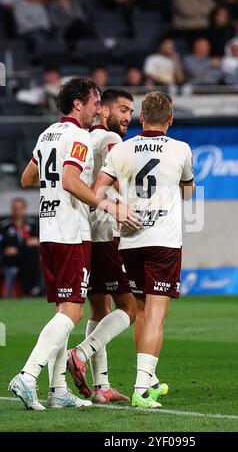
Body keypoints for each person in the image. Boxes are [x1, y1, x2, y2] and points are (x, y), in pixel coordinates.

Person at [8, 77, 140, 411]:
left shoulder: (46, 134)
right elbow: (69, 180)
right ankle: (27, 374)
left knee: (62, 312)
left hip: (49, 228)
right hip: (71, 230)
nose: (99, 110)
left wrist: (55, 182)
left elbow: (27, 179)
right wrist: (108, 205)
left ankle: (57, 390)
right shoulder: (79, 136)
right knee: (74, 311)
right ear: (78, 103)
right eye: (96, 103)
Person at [93, 91, 195, 408]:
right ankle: (140, 390)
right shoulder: (181, 148)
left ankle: (148, 382)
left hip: (130, 240)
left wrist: (118, 208)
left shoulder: (122, 149)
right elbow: (189, 193)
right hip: (163, 241)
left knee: (138, 310)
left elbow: (98, 191)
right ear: (170, 119)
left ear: (140, 118)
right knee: (156, 316)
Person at [68, 89, 136, 404]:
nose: (128, 117)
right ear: (104, 111)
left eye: (131, 111)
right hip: (104, 234)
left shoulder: (85, 137)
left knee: (99, 308)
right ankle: (80, 353)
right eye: (122, 109)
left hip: (85, 232)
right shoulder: (111, 140)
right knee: (129, 308)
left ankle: (101, 387)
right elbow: (122, 182)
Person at [0, 198, 41, 298]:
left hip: (29, 258)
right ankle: (29, 289)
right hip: (10, 258)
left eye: (20, 208)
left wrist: (38, 241)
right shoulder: (4, 225)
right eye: (15, 209)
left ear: (25, 209)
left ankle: (31, 289)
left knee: (32, 255)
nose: (17, 211)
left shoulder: (34, 224)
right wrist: (5, 249)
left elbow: (44, 240)